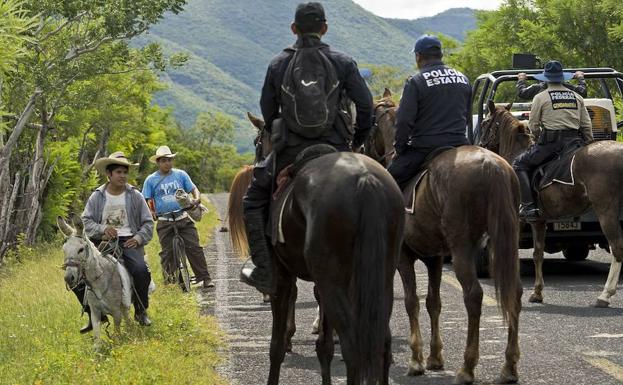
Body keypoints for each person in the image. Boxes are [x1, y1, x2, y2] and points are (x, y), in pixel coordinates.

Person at [240, 2, 374, 294]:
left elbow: (268, 109)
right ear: (324, 28)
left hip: (291, 151)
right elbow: (366, 106)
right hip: (337, 148)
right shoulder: (343, 62)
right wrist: (357, 140)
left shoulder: (278, 63)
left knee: (252, 201)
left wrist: (283, 134)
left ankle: (264, 270)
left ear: (294, 29)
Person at [79, 151, 154, 329]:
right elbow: (86, 222)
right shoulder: (97, 196)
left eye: (125, 172)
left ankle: (141, 311)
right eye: (118, 172)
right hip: (101, 243)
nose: (123, 176)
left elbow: (148, 223)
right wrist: (103, 229)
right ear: (109, 174)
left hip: (128, 241)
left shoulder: (135, 196)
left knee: (141, 271)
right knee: (78, 275)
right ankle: (93, 315)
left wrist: (137, 238)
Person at [388, 34, 472, 189]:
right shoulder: (463, 78)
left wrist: (400, 149)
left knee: (387, 183)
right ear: (440, 55)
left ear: (418, 57)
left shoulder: (415, 81)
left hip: (425, 148)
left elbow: (404, 121)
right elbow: (467, 117)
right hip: (460, 143)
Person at [513, 60, 593, 219]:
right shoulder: (577, 96)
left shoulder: (540, 97)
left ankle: (529, 207)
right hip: (575, 143)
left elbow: (534, 125)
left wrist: (535, 139)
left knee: (518, 164)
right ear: (563, 78)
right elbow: (586, 125)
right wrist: (589, 143)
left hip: (550, 144)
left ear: (546, 79)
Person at [142, 146, 214, 289]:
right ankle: (171, 283)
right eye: (163, 160)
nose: (167, 163)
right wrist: (151, 211)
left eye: (169, 160)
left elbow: (193, 189)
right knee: (167, 253)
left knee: (194, 247)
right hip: (164, 221)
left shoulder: (180, 175)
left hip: (182, 216)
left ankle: (205, 278)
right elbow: (147, 198)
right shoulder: (151, 180)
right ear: (158, 162)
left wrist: (197, 199)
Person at [516, 70, 587, 100]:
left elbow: (522, 93)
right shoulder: (568, 87)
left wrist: (521, 80)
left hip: (547, 129)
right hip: (572, 130)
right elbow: (582, 92)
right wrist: (580, 77)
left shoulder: (538, 88)